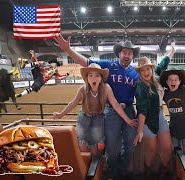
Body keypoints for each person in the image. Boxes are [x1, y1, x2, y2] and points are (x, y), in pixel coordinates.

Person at [53, 34, 175, 177]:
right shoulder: (108, 66)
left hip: (129, 110)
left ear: (132, 56)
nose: (127, 55)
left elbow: (158, 68)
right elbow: (87, 62)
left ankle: (122, 173)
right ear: (119, 53)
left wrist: (171, 52)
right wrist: (68, 50)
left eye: (130, 53)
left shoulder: (137, 73)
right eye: (124, 52)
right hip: (111, 110)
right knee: (112, 148)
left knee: (130, 146)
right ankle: (112, 173)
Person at [53, 63, 137, 155]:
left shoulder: (106, 88)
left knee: (96, 146)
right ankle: (86, 165)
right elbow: (73, 103)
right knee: (82, 145)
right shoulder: (83, 89)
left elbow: (115, 104)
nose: (94, 78)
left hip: (98, 118)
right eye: (91, 75)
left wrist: (128, 120)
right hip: (83, 117)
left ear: (101, 78)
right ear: (87, 78)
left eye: (97, 75)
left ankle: (95, 167)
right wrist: (61, 114)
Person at [133, 57, 172, 177]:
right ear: (139, 72)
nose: (145, 72)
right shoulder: (140, 87)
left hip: (160, 116)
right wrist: (140, 131)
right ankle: (148, 174)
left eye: (147, 69)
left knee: (167, 148)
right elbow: (142, 110)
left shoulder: (156, 78)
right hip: (147, 121)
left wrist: (172, 50)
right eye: (142, 70)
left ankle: (164, 172)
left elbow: (163, 64)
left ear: (151, 69)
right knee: (151, 151)